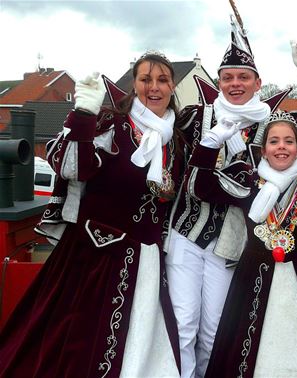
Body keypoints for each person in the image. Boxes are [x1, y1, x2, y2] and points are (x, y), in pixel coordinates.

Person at [165, 16, 297, 378]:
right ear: (218, 82)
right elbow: (153, 130)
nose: (235, 84)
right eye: (228, 77)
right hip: (190, 232)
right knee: (183, 324)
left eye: (243, 77)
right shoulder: (196, 117)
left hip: (238, 244)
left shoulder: (273, 123)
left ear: (258, 83)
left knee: (217, 332)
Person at [0, 52, 184, 377]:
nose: (154, 88)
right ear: (134, 85)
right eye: (145, 79)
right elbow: (73, 167)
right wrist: (83, 113)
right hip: (95, 256)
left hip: (148, 260)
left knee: (141, 339)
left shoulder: (177, 139)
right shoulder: (111, 123)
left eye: (162, 80)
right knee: (76, 342)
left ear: (172, 86)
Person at [182, 110, 297, 377]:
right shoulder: (248, 182)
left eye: (288, 141)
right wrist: (210, 143)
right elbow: (198, 186)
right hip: (253, 282)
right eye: (274, 141)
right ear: (263, 151)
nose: (281, 146)